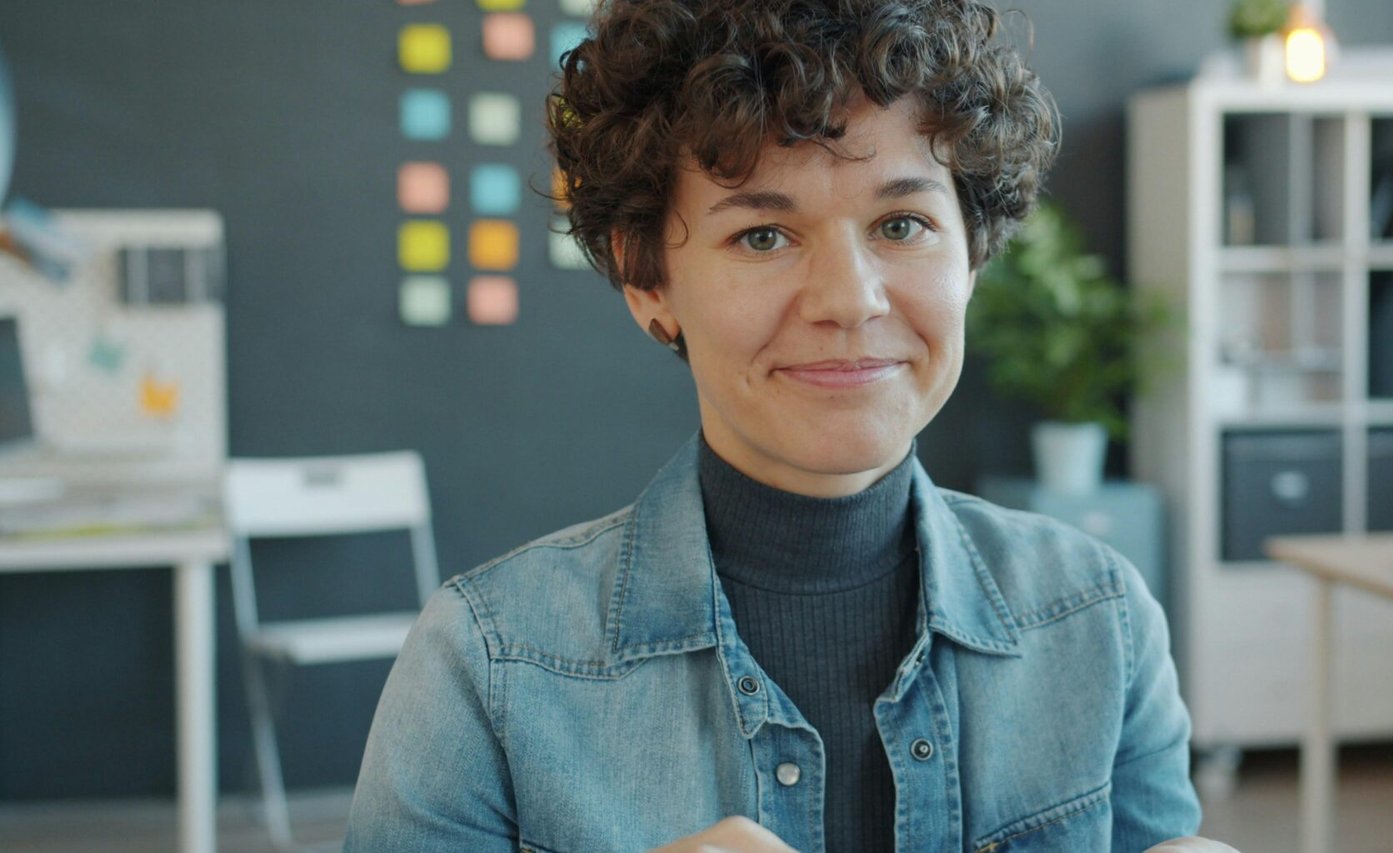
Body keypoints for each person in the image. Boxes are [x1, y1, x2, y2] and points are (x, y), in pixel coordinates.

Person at [347, 1, 1232, 850]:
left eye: (902, 223)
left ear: (973, 253)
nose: (850, 300)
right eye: (763, 236)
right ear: (647, 279)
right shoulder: (489, 666)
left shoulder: (1097, 622)